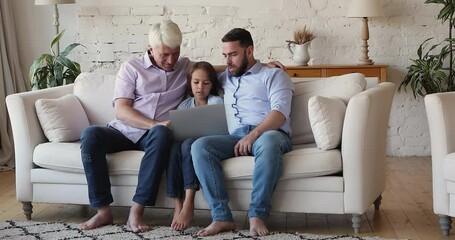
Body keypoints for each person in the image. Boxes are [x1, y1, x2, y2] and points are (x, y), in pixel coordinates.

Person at [79, 20, 193, 233]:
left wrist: (259, 64)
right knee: (90, 134)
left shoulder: (185, 67)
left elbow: (215, 70)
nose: (171, 60)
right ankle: (103, 211)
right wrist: (154, 123)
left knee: (161, 132)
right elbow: (121, 110)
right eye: (165, 55)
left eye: (175, 53)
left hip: (156, 137)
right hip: (124, 131)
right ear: (150, 48)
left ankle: (136, 211)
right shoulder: (131, 67)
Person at [191, 28, 294, 237]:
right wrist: (232, 63)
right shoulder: (226, 77)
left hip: (269, 133)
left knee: (269, 142)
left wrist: (254, 134)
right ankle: (221, 217)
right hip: (235, 136)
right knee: (199, 146)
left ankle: (257, 215)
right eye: (225, 56)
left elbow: (279, 113)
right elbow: (203, 72)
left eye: (233, 54)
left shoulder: (273, 75)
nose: (228, 61)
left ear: (249, 51)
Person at [166, 61, 223, 231]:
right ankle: (178, 204)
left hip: (206, 144)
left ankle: (189, 202)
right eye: (196, 82)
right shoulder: (184, 106)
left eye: (206, 83)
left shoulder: (216, 102)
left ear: (212, 85)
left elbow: (219, 130)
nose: (200, 87)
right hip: (185, 143)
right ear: (190, 83)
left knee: (189, 145)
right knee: (174, 148)